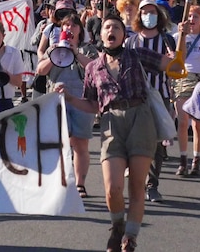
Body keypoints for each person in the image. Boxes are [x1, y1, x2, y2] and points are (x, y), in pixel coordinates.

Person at [60, 14, 173, 252]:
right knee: (112, 189)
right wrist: (69, 99)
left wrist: (177, 50)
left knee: (136, 186)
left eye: (116, 27)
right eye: (107, 27)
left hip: (140, 118)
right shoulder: (92, 67)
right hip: (111, 122)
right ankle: (117, 226)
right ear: (100, 36)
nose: (111, 30)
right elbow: (93, 105)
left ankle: (130, 237)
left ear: (124, 34)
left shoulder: (137, 54)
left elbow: (172, 66)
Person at [37, 14, 98, 198]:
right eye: (65, 25)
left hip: (81, 100)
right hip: (56, 100)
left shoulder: (88, 49)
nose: (69, 28)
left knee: (80, 144)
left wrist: (76, 53)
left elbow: (95, 69)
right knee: (57, 144)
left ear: (80, 30)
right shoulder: (53, 48)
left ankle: (80, 184)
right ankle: (58, 182)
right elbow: (40, 70)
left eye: (73, 25)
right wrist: (54, 55)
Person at [126, 0, 176, 202]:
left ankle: (152, 184)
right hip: (136, 95)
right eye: (144, 12)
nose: (148, 15)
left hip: (160, 94)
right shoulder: (131, 40)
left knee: (157, 141)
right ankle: (135, 175)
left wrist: (174, 59)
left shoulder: (167, 40)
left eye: (152, 12)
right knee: (134, 138)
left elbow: (177, 69)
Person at [173, 6, 200, 176]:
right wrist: (182, 34)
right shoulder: (177, 37)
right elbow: (174, 57)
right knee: (182, 122)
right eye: (189, 16)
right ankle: (182, 160)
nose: (192, 19)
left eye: (196, 16)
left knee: (197, 123)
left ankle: (197, 159)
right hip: (183, 78)